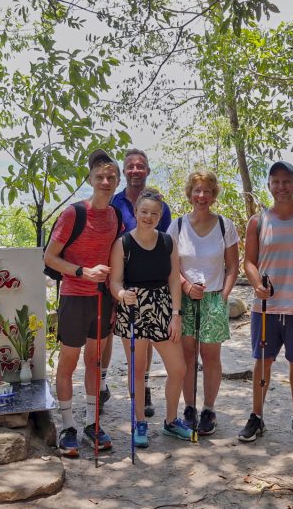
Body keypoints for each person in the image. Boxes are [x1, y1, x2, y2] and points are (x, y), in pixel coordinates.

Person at [238, 161, 293, 446]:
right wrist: (256, 284)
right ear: (269, 185)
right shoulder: (258, 221)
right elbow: (248, 261)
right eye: (275, 182)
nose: (281, 187)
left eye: (286, 181)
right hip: (265, 308)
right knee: (262, 363)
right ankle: (256, 416)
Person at [43, 149, 122, 458]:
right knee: (69, 362)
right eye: (100, 176)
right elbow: (49, 257)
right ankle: (67, 426)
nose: (106, 181)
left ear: (117, 181)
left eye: (111, 177)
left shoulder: (114, 216)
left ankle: (91, 423)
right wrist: (82, 272)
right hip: (75, 297)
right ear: (90, 178)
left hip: (102, 299)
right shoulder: (74, 214)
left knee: (95, 362)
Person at [109, 189, 193, 447]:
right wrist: (122, 294)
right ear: (135, 213)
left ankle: (170, 421)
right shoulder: (123, 243)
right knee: (137, 370)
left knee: (178, 369)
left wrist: (176, 315)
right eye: (143, 212)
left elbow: (174, 281)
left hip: (162, 308)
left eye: (154, 214)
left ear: (160, 217)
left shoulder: (168, 242)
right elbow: (114, 281)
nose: (148, 217)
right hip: (133, 308)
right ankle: (139, 422)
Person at [169, 171, 240, 436]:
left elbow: (233, 267)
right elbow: (171, 266)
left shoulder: (225, 226)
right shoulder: (177, 226)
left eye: (207, 191)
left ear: (213, 195)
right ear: (190, 193)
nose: (202, 196)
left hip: (213, 297)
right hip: (184, 298)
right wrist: (186, 285)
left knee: (210, 356)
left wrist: (222, 297)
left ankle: (209, 408)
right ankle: (189, 407)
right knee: (186, 355)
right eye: (197, 191)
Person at [106, 148, 172, 417]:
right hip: (118, 277)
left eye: (140, 166)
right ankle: (100, 383)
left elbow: (163, 241)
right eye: (130, 166)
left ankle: (144, 389)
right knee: (111, 330)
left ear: (147, 171)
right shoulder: (115, 203)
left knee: (146, 339)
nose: (135, 170)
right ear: (124, 171)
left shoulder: (160, 206)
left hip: (150, 285)